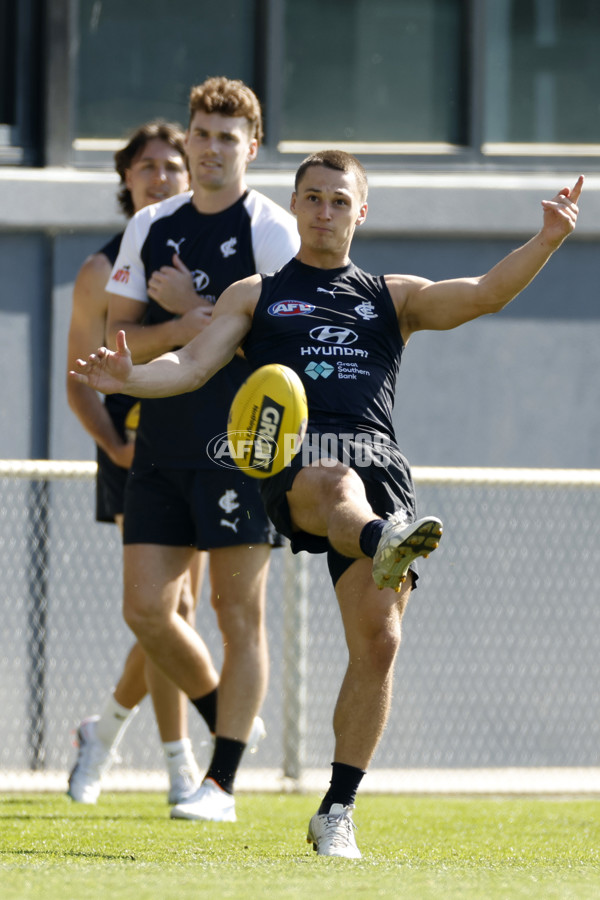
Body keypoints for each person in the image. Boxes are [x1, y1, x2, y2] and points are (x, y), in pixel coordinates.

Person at [72, 151, 583, 856]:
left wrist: (550, 237)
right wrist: (130, 376)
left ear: (360, 212)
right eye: (312, 198)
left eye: (339, 201)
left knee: (380, 640)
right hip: (298, 461)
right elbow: (190, 366)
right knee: (336, 487)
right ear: (296, 204)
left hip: (384, 471)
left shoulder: (391, 295)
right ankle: (383, 542)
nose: (324, 211)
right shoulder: (256, 294)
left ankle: (336, 809)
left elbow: (484, 292)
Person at [99, 77, 300, 823]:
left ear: (252, 147)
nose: (211, 149)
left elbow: (290, 343)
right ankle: (226, 720)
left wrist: (195, 309)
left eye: (227, 137)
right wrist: (183, 326)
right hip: (159, 443)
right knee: (148, 610)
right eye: (202, 134)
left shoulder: (273, 230)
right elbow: (114, 336)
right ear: (187, 138)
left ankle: (221, 782)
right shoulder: (150, 224)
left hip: (241, 451)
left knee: (234, 613)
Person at [65, 120, 220, 805]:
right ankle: (182, 761)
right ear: (126, 181)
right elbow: (78, 376)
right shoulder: (103, 269)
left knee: (177, 610)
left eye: (172, 165)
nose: (161, 176)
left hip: (199, 446)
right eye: (147, 167)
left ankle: (103, 733)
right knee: (168, 606)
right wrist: (116, 446)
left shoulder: (212, 252)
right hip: (135, 448)